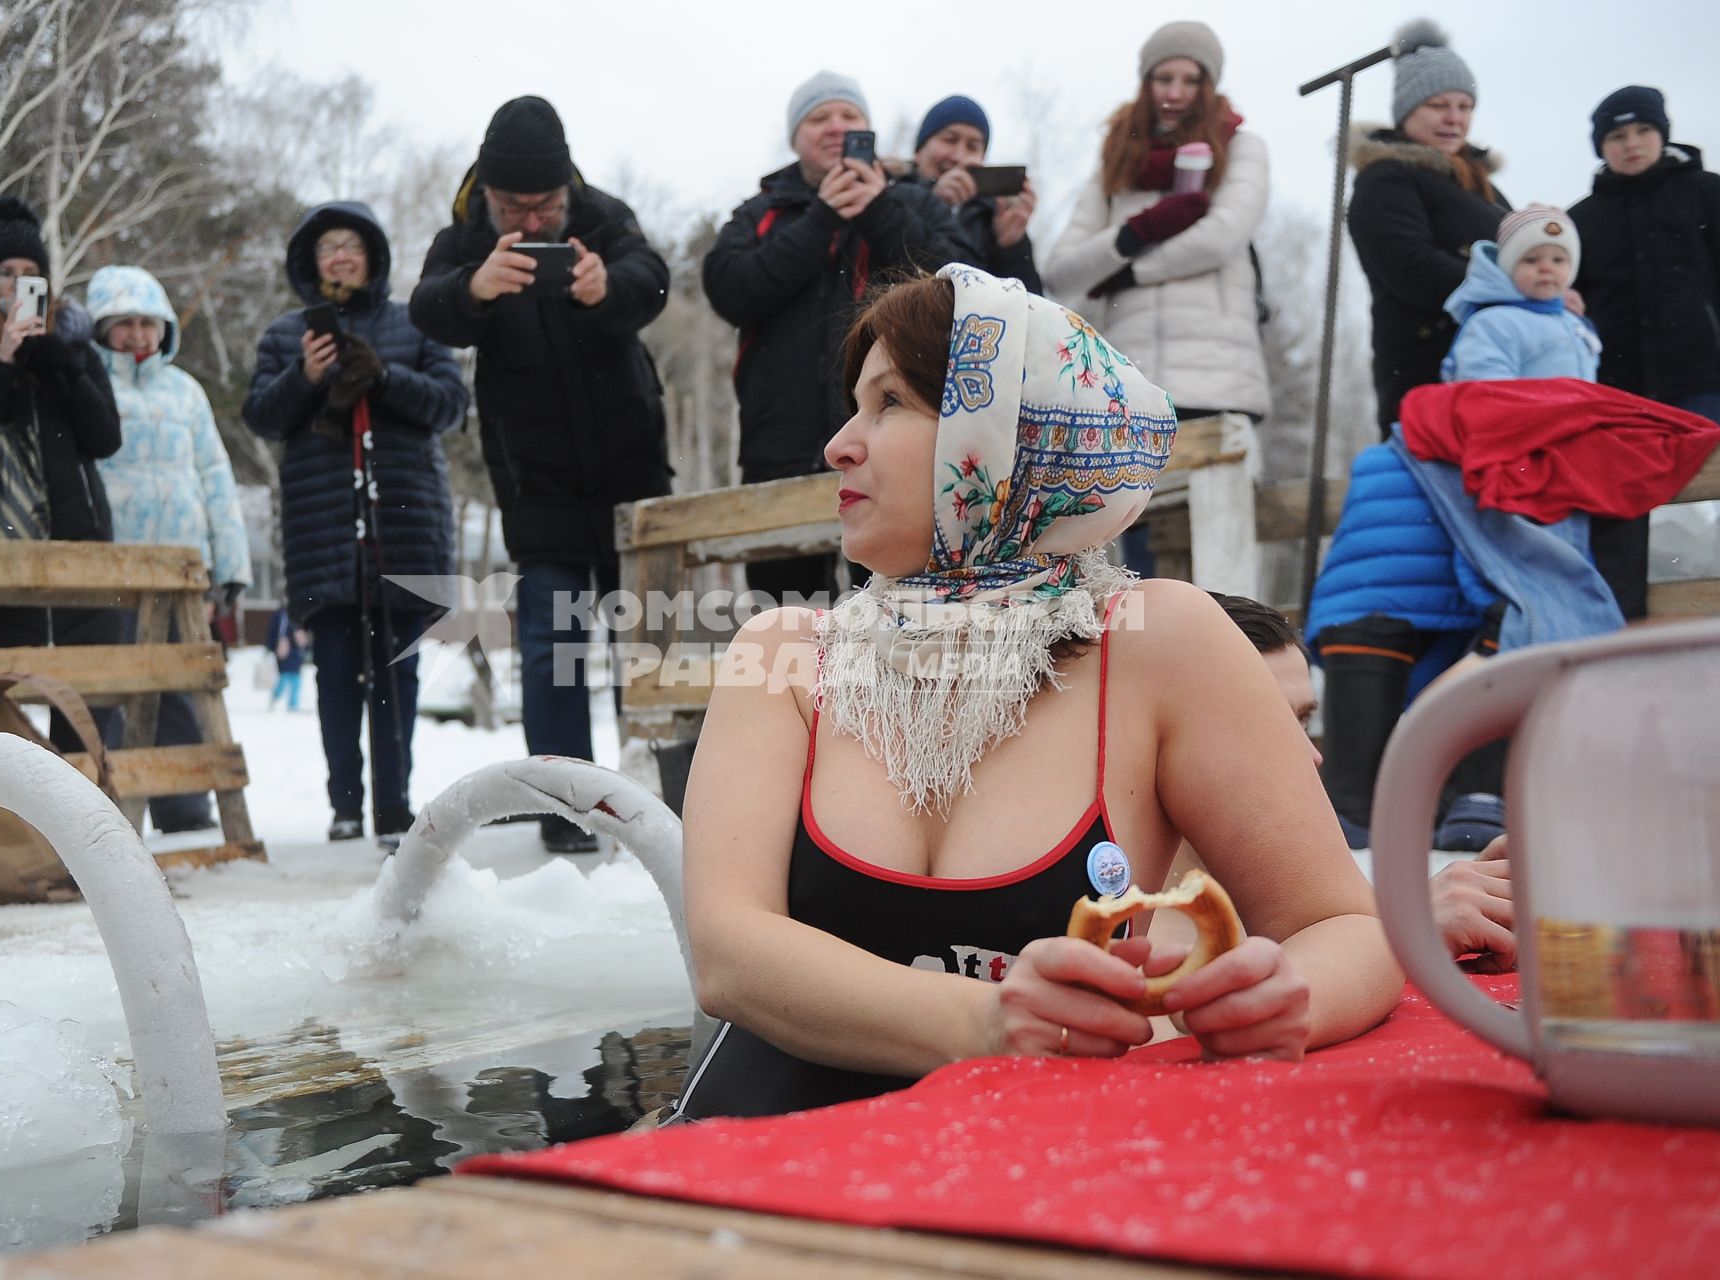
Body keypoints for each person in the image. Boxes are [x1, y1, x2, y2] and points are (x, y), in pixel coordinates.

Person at [674, 266, 1401, 1121]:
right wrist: (983, 1020)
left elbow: (1345, 927)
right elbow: (727, 954)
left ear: (1006, 436)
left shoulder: (1158, 642)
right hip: (751, 1179)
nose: (840, 442)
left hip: (1044, 1186)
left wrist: (1290, 994)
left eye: (892, 403)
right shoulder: (787, 657)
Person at [409, 96, 672, 856]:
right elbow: (429, 309)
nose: (531, 220)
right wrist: (476, 289)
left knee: (644, 641)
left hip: (630, 471)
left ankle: (659, 804)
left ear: (566, 191)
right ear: (488, 196)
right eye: (514, 207)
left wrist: (606, 289)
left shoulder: (603, 212)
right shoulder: (462, 239)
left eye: (545, 205)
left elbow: (653, 280)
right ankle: (567, 811)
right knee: (552, 641)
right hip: (536, 480)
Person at [244, 201, 468, 847]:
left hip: (403, 522)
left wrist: (387, 377)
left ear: (373, 256)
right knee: (336, 671)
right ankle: (345, 805)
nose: (341, 255)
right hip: (322, 529)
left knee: (397, 670)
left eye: (352, 244)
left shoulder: (414, 325)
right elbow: (260, 416)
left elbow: (452, 405)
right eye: (328, 246)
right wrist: (306, 375)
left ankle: (393, 809)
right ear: (310, 262)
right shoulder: (287, 335)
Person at [704, 71, 969, 604]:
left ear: (868, 131)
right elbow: (730, 289)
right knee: (787, 620)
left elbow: (961, 282)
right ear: (794, 136)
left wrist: (877, 213)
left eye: (849, 116)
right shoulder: (761, 213)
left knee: (900, 611)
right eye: (818, 118)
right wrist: (821, 219)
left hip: (899, 452)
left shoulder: (912, 204)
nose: (835, 127)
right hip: (780, 448)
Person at [1203, 594, 1515, 972]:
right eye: (1264, 724)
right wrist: (1405, 928)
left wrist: (1478, 895)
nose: (1311, 757)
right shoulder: (1125, 905)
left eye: (1302, 721)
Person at [0, 195, 124, 754]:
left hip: (79, 535)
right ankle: (10, 829)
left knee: (87, 689)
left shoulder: (74, 346)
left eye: (30, 274)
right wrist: (2, 364)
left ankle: (84, 822)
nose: (19, 285)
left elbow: (105, 437)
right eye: (6, 274)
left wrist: (58, 363)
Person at [88, 265, 252, 834]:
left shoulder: (186, 390)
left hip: (182, 569)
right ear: (102, 328)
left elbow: (214, 474)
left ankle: (184, 804)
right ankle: (102, 810)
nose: (137, 334)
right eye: (124, 323)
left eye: (147, 323)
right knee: (109, 686)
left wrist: (228, 564)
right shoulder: (91, 385)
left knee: (179, 687)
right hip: (111, 568)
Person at [1042, 21, 1271, 424]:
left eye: (1191, 80)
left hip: (1219, 382)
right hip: (1125, 387)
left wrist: (1129, 275)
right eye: (1164, 78)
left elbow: (1221, 237)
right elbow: (1061, 274)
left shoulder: (1241, 149)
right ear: (1146, 82)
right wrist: (1133, 234)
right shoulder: (1115, 163)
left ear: (1210, 85)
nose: (1175, 93)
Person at [1570, 85, 1720, 618]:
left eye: (1643, 131)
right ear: (1600, 146)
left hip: (1704, 379)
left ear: (1662, 135)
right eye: (1617, 135)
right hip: (1619, 392)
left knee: (1709, 496)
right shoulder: (1579, 221)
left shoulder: (1707, 194)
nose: (1631, 144)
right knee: (1626, 503)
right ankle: (1625, 622)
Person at [1346, 24, 1511, 433]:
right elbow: (1412, 268)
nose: (1454, 119)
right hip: (1429, 368)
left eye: (1464, 106)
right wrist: (1516, 291)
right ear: (1406, 111)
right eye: (1439, 105)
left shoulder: (1483, 187)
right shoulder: (1386, 178)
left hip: (1499, 366)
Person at [1441, 206, 1600, 383]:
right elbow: (1484, 383)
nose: (1546, 268)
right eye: (1531, 260)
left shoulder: (1573, 321)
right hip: (1521, 410)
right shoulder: (1494, 323)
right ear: (1509, 267)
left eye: (1558, 260)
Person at [904, 95, 1040, 292]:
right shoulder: (885, 197)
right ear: (919, 151)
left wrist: (1009, 248)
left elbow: (1029, 304)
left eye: (973, 146)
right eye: (949, 140)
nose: (959, 156)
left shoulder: (991, 218)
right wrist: (932, 203)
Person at [266, 605, 308, 712]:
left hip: (296, 651)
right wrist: (272, 646)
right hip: (284, 650)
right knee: (284, 678)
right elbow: (273, 631)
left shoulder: (300, 613)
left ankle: (293, 704)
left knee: (296, 679)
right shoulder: (281, 615)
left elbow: (304, 632)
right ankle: (276, 696)